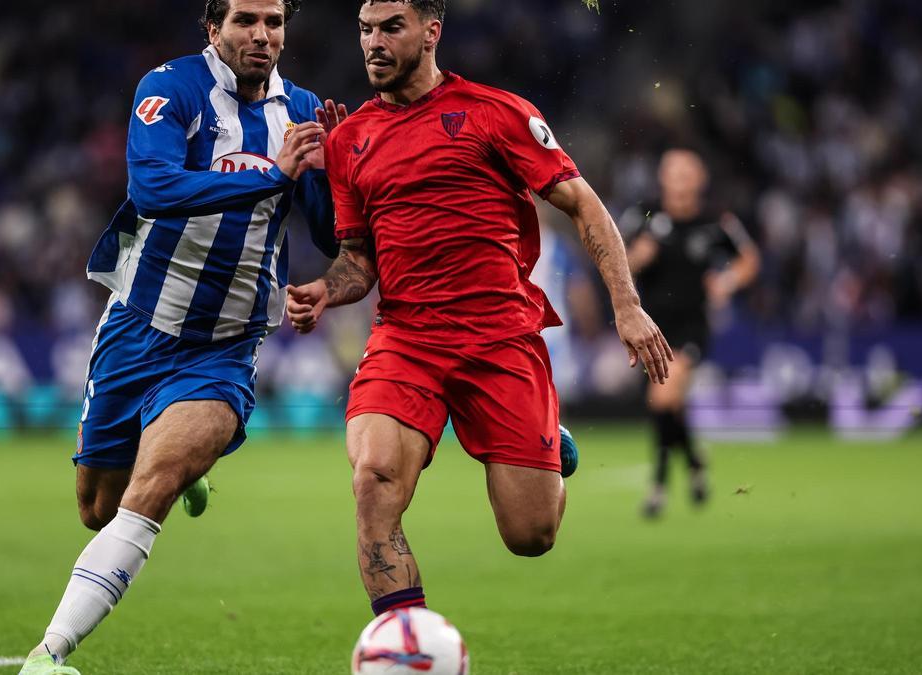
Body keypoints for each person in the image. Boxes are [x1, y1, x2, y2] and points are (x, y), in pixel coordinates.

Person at [286, 0, 672, 618]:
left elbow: (584, 205)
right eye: (365, 30)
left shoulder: (496, 113)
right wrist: (326, 290)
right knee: (373, 480)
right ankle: (405, 645)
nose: (374, 43)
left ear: (431, 32)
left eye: (392, 28)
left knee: (531, 535)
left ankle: (546, 443)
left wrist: (627, 307)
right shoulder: (351, 138)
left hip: (499, 340)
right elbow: (360, 260)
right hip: (407, 338)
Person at [17, 1, 344, 673]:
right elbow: (155, 187)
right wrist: (272, 174)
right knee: (95, 507)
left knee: (151, 488)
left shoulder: (302, 109)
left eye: (275, 22)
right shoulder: (170, 88)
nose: (262, 35)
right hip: (138, 324)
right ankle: (185, 458)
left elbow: (329, 232)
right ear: (212, 28)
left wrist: (338, 172)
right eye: (246, 19)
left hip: (225, 343)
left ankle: (48, 655)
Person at [622, 148, 761, 518]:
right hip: (650, 328)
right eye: (673, 173)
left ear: (700, 180)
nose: (681, 180)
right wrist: (639, 257)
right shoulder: (644, 215)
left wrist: (727, 281)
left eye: (688, 173)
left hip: (692, 327)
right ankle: (696, 465)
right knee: (670, 405)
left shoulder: (716, 220)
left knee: (662, 398)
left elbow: (749, 258)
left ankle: (658, 488)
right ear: (662, 178)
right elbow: (615, 259)